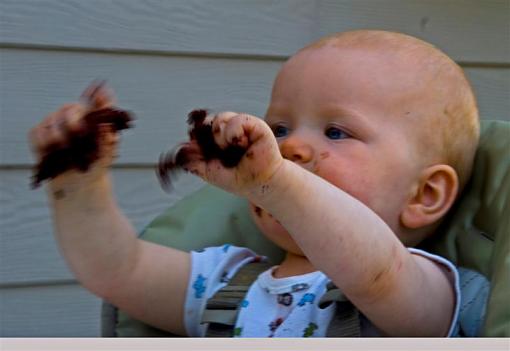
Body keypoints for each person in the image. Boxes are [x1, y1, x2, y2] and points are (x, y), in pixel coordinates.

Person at [29, 30, 488, 337]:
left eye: (335, 132)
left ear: (424, 195)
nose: (290, 148)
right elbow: (118, 272)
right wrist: (77, 183)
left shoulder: (425, 287)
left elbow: (375, 273)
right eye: (280, 129)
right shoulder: (227, 281)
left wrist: (276, 182)